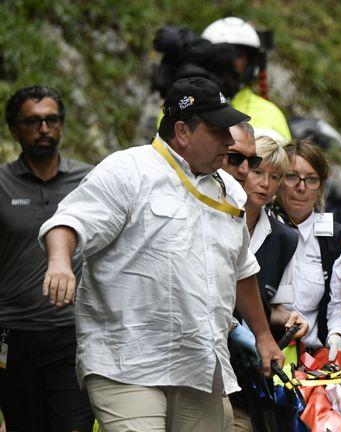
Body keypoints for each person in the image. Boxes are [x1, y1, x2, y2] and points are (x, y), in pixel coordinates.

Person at [38, 77, 284, 432]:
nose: (229, 142)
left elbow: (242, 269)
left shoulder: (229, 190)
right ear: (182, 131)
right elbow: (69, 222)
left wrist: (263, 336)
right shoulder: (128, 169)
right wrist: (60, 263)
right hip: (128, 361)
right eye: (218, 132)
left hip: (200, 362)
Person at [0, 85, 95, 432]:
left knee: (75, 426)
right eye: (32, 121)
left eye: (51, 120)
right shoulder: (1, 183)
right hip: (13, 333)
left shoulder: (88, 180)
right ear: (14, 130)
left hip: (75, 332)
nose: (44, 129)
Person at [221, 122, 309, 431]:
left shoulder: (285, 238)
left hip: (248, 375)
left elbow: (271, 305)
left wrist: (290, 318)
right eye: (260, 173)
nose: (266, 184)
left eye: (276, 177)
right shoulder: (215, 216)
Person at [271, 140, 341, 360]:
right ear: (277, 180)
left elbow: (339, 301)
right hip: (264, 353)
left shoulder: (335, 237)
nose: (301, 187)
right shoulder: (259, 227)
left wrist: (337, 335)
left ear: (321, 186)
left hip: (314, 358)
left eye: (311, 179)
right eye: (292, 176)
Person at [202, 16, 292, 142]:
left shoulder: (271, 116)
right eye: (222, 53)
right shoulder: (183, 104)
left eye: (238, 55)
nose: (230, 61)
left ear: (250, 64)